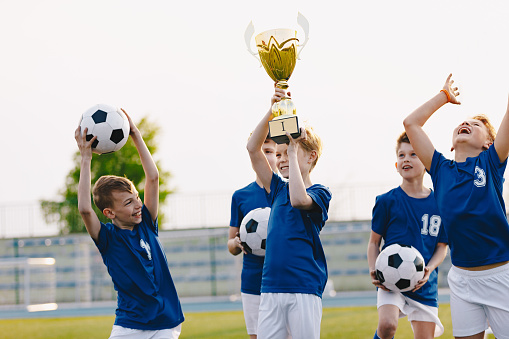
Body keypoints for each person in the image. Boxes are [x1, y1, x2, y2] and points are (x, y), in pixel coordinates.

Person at [404, 74, 509, 339]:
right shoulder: (440, 169)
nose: (466, 123)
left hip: (501, 274)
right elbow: (411, 123)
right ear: (451, 144)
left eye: (475, 124)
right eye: (463, 122)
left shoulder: (491, 162)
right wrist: (444, 96)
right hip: (462, 279)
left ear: (488, 143)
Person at [75, 109, 184, 339]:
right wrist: (86, 159)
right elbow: (85, 208)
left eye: (136, 196)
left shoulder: (147, 223)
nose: (137, 204)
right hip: (129, 324)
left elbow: (152, 177)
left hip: (165, 323)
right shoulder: (107, 239)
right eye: (128, 202)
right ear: (109, 212)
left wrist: (135, 134)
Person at [246, 87, 332, 339]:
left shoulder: (320, 192)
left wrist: (293, 151)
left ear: (311, 156)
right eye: (280, 154)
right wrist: (271, 112)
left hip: (303, 287)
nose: (282, 159)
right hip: (271, 287)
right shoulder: (276, 189)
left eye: (289, 152)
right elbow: (253, 149)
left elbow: (298, 199)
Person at [367, 132, 448, 339]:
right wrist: (373, 268)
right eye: (401, 155)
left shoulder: (440, 203)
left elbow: (442, 246)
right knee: (387, 325)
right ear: (396, 165)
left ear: (426, 163)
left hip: (423, 283)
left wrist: (429, 269)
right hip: (391, 278)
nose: (406, 159)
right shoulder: (386, 201)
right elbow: (374, 243)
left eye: (413, 154)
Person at [228, 136, 277, 339]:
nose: (264, 157)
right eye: (260, 151)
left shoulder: (289, 193)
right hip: (252, 281)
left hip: (283, 280)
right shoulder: (240, 196)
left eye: (269, 152)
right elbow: (231, 245)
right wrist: (237, 243)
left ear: (278, 155)